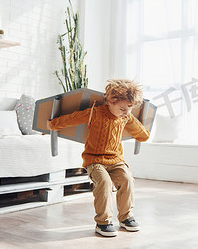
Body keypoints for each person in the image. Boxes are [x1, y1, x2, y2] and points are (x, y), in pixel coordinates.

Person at [47, 79, 150, 237]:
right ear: (110, 101)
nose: (126, 112)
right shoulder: (95, 112)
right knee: (104, 182)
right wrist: (53, 125)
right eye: (122, 108)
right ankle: (103, 222)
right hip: (94, 160)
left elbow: (142, 134)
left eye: (129, 108)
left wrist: (144, 133)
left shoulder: (126, 118)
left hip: (116, 160)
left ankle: (126, 217)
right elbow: (73, 118)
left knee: (127, 179)